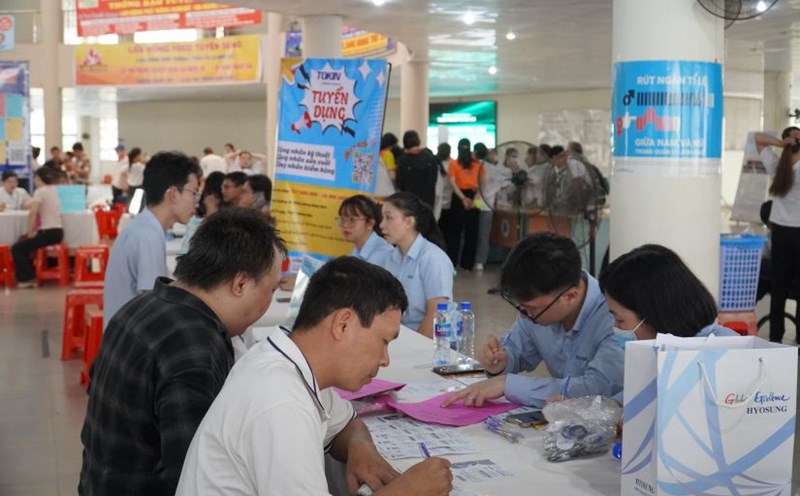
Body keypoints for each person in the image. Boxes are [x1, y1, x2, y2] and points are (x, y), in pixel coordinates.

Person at [176, 257, 452, 496]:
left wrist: (361, 448)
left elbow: (346, 423)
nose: (385, 359)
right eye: (384, 340)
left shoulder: (290, 364)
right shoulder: (280, 400)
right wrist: (407, 491)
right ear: (343, 324)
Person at [80, 208, 287, 496]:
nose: (270, 301)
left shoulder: (140, 307)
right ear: (240, 284)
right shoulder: (193, 347)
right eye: (272, 289)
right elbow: (195, 476)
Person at [442, 232, 623, 408]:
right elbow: (515, 351)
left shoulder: (615, 318)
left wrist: (508, 385)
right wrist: (499, 363)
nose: (523, 316)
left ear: (570, 297)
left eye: (531, 310)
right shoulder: (539, 307)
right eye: (521, 307)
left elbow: (597, 389)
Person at [103, 151, 201, 327]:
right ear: (172, 194)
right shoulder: (148, 236)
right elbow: (155, 307)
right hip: (130, 344)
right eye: (193, 192)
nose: (196, 202)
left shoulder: (144, 227)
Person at [599, 244, 738, 345]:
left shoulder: (726, 350)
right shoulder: (655, 353)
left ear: (653, 316)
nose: (615, 328)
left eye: (620, 320)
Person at [381, 192, 453, 337]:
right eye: (382, 218)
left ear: (409, 222)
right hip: (400, 337)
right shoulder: (391, 257)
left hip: (428, 343)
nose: (382, 225)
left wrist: (415, 350)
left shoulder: (433, 258)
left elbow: (437, 314)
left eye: (388, 218)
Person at [755, 127, 800, 343]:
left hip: (780, 233)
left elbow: (757, 139)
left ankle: (775, 337)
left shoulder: (777, 166)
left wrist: (782, 144)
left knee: (779, 288)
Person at [10, 167, 63, 288]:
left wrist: (30, 231)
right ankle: (28, 274)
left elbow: (33, 212)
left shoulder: (40, 191)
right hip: (57, 232)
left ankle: (27, 279)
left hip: (47, 232)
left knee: (17, 248)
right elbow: (34, 205)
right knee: (24, 243)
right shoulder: (53, 190)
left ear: (39, 178)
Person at [443, 138, 484, 270]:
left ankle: (453, 262)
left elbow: (453, 183)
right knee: (473, 232)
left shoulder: (454, 163)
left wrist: (463, 198)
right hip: (475, 197)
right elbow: (482, 184)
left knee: (454, 232)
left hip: (458, 197)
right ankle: (468, 263)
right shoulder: (478, 165)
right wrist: (474, 198)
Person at [475, 145, 511, 271]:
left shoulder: (476, 166)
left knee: (475, 234)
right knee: (483, 235)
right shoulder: (492, 168)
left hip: (476, 204)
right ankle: (480, 261)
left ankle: (475, 260)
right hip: (486, 204)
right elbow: (505, 180)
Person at [338, 194, 393, 267]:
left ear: (370, 223)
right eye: (343, 219)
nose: (345, 225)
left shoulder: (383, 253)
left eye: (352, 220)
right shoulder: (355, 251)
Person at [395, 130, 439, 208]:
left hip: (408, 201)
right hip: (427, 201)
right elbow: (433, 180)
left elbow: (399, 183)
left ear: (405, 142)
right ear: (418, 141)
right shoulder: (431, 158)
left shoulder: (402, 160)